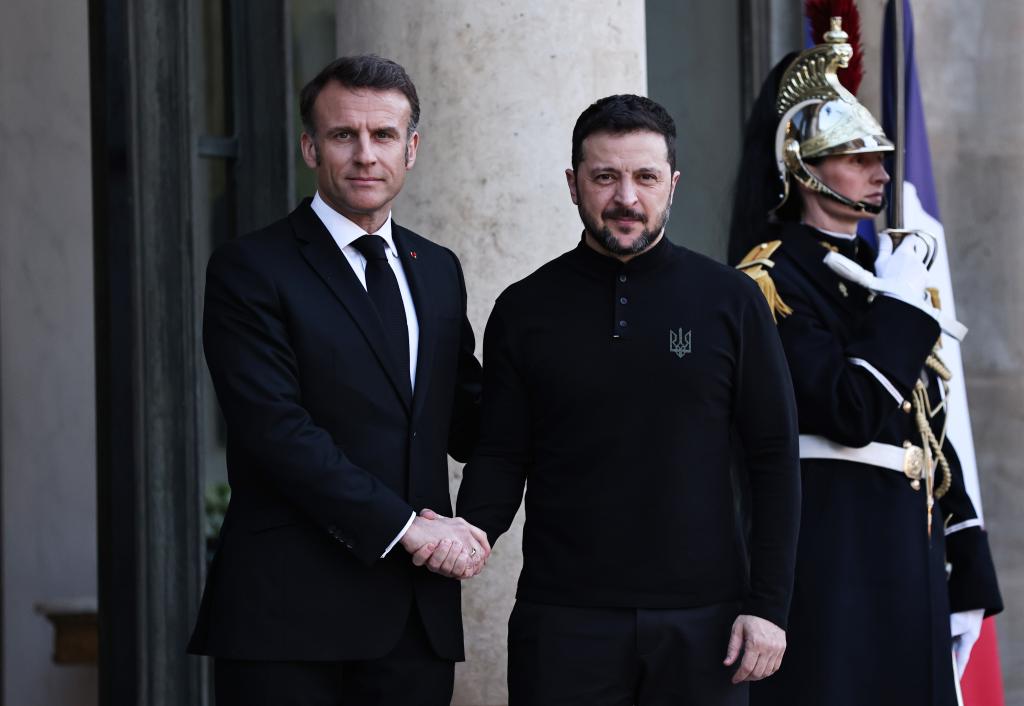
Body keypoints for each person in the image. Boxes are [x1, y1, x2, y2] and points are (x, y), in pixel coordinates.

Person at [449, 94, 801, 705]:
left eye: (646, 177)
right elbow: (503, 451)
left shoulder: (732, 301)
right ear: (573, 184)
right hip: (562, 621)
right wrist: (469, 532)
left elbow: (773, 458)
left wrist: (768, 606)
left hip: (706, 623)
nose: (626, 198)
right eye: (605, 177)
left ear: (673, 185)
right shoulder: (524, 308)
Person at [187, 54, 490, 706]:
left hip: (414, 621)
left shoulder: (437, 269)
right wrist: (406, 527)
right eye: (343, 134)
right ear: (310, 147)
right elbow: (275, 430)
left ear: (411, 149)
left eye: (383, 135)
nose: (364, 154)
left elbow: (468, 416)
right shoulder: (250, 268)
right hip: (288, 620)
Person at [728, 20, 1003, 706]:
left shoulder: (882, 274)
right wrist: (903, 310)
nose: (881, 172)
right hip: (836, 548)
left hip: (910, 552)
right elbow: (850, 410)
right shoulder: (771, 280)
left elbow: (929, 428)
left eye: (881, 155)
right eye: (857, 157)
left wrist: (969, 565)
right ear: (803, 167)